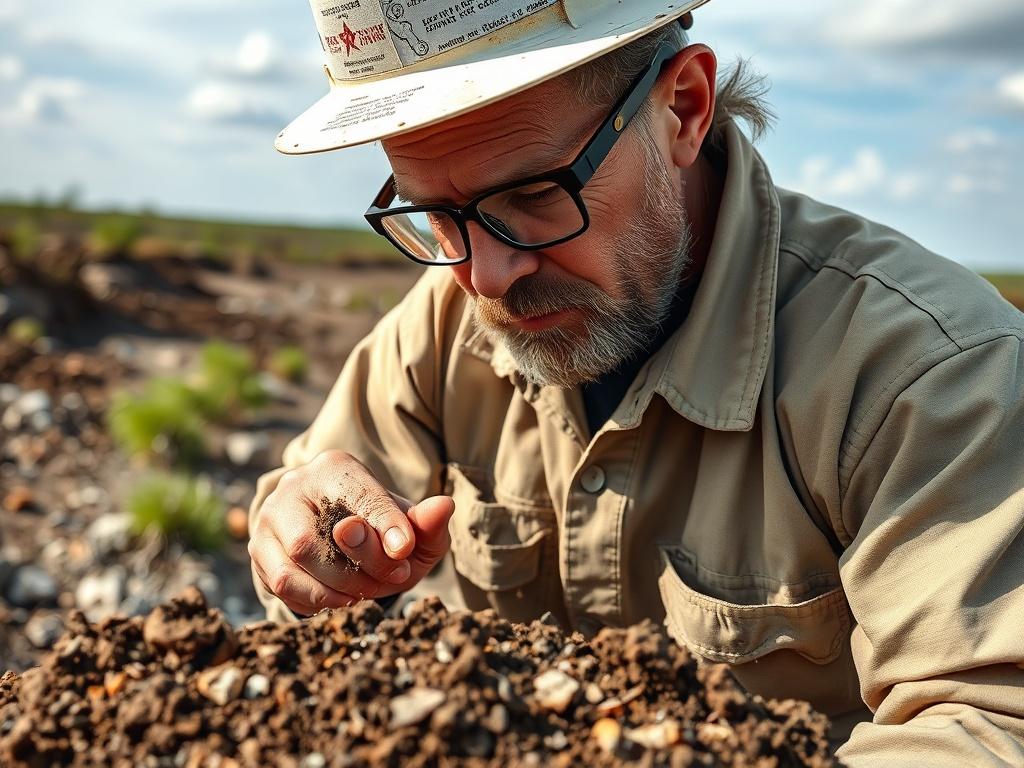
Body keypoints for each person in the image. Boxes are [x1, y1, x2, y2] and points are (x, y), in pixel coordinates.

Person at [248, 2, 1024, 763]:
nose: (486, 276)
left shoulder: (926, 373)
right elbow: (308, 543)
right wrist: (307, 541)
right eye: (438, 217)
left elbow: (987, 725)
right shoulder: (444, 329)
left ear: (684, 108)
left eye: (534, 195)